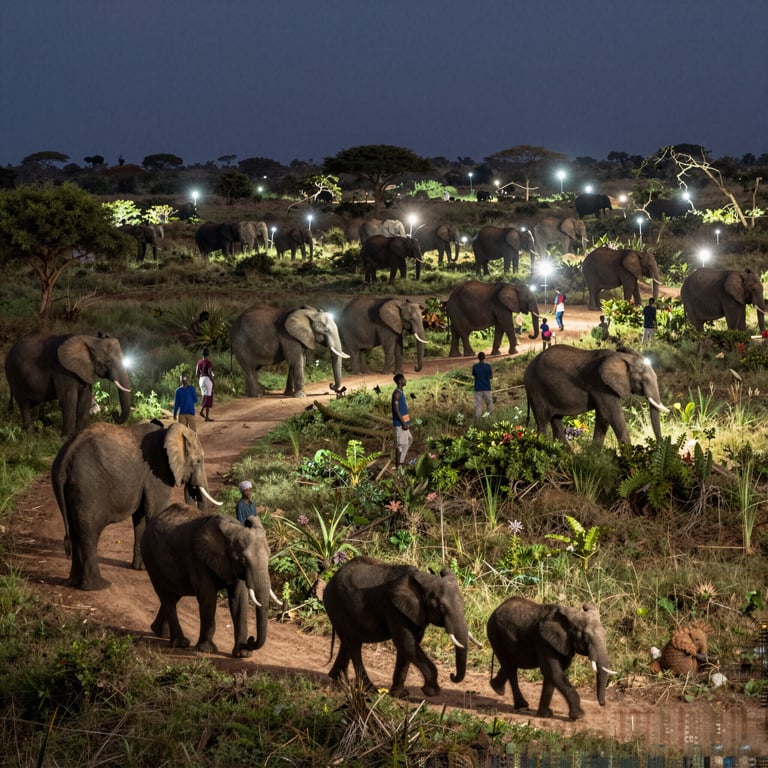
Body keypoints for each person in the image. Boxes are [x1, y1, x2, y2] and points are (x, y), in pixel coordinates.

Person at [391, 373, 413, 468]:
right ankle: (398, 466)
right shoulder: (397, 394)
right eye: (404, 379)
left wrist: (407, 422)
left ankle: (401, 462)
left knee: (409, 440)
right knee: (400, 445)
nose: (405, 381)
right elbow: (396, 410)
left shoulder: (400, 392)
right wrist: (403, 423)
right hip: (400, 424)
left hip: (404, 423)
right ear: (400, 381)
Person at [471, 351, 493, 419]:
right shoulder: (488, 366)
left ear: (478, 358)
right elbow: (491, 377)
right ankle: (489, 417)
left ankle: (478, 419)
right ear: (484, 357)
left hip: (478, 388)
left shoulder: (475, 366)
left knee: (478, 405)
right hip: (487, 387)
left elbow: (474, 374)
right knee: (489, 403)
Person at [196, 348, 214, 421]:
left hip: (201, 379)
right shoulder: (208, 362)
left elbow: (196, 373)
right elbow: (209, 373)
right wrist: (213, 381)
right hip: (207, 379)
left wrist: (200, 378)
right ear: (208, 354)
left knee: (204, 396)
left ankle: (204, 414)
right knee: (208, 397)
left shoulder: (199, 362)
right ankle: (205, 416)